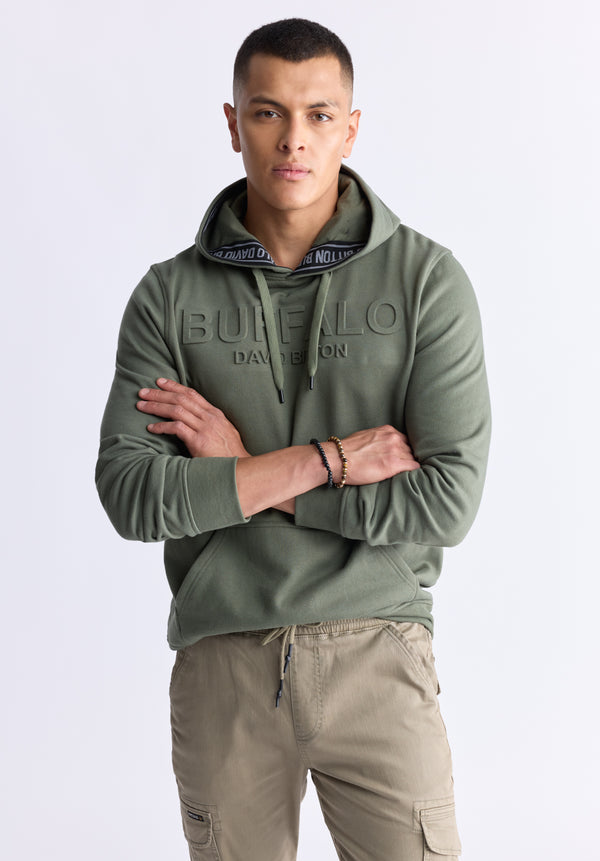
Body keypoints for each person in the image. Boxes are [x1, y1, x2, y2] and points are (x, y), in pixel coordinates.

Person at [96, 17, 490, 861]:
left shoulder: (427, 281)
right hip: (224, 661)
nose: (294, 140)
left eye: (319, 114)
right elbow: (131, 495)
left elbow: (447, 501)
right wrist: (327, 461)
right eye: (268, 112)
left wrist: (240, 473)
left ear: (352, 127)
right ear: (234, 123)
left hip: (379, 648)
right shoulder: (168, 297)